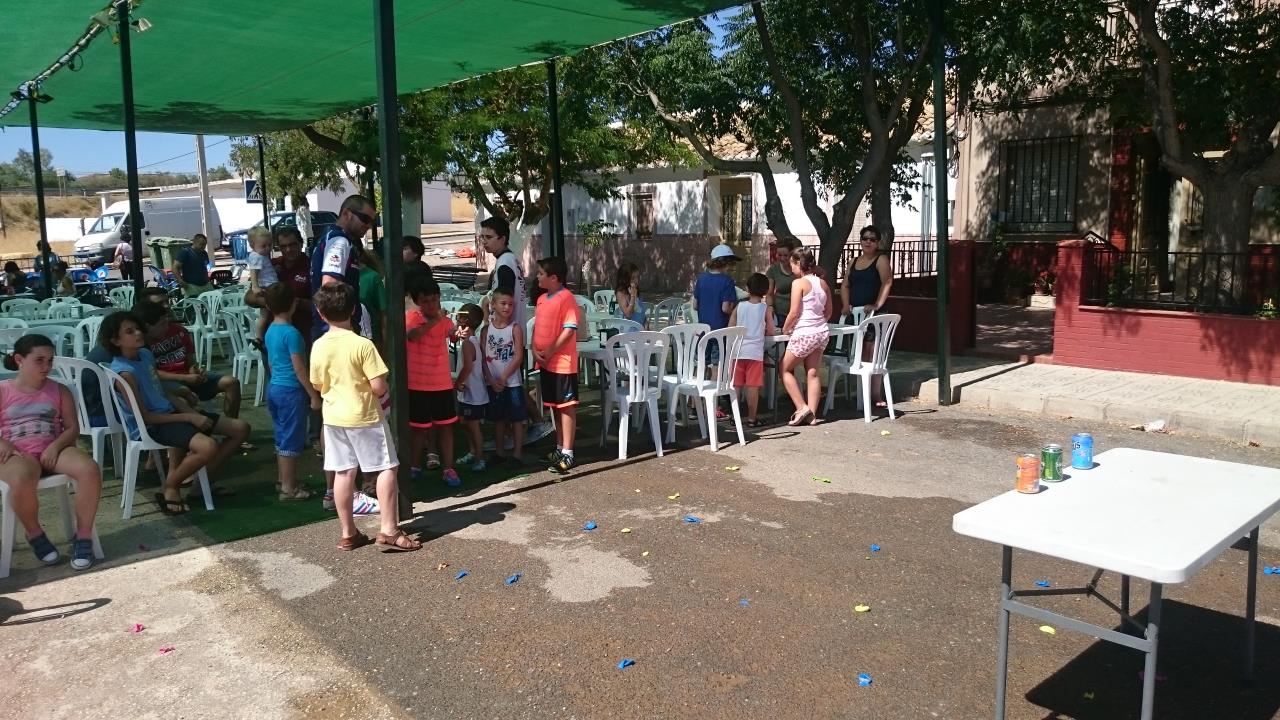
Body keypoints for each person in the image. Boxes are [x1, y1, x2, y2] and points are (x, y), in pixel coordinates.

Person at [102, 311, 250, 513]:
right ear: (115, 340)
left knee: (241, 429)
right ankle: (171, 486)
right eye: (129, 331)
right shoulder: (125, 373)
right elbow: (145, 417)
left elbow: (159, 391)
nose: (137, 333)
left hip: (170, 414)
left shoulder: (145, 355)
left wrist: (188, 407)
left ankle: (201, 486)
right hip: (152, 425)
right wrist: (189, 416)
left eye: (137, 328)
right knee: (208, 447)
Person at [309, 283, 420, 552]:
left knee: (343, 471)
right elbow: (379, 386)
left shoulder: (319, 345)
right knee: (386, 467)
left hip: (333, 416)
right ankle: (389, 529)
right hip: (364, 414)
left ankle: (348, 533)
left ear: (321, 313)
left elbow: (317, 384)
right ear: (354, 310)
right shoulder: (363, 345)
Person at [0, 334, 102, 570]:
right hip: (18, 453)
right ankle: (34, 532)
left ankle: (83, 536)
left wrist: (55, 446)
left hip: (53, 447)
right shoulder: (3, 391)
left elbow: (72, 428)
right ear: (19, 360)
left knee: (89, 469)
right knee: (21, 477)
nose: (46, 366)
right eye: (39, 360)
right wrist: (3, 444)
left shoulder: (59, 390)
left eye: (50, 360)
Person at [406, 275, 468, 487]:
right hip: (417, 384)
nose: (431, 305)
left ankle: (449, 468)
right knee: (418, 429)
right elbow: (413, 335)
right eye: (426, 301)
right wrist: (434, 321)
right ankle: (414, 466)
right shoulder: (412, 317)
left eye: (434, 299)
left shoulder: (444, 320)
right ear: (417, 301)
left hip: (441, 383)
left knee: (446, 427)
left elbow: (452, 333)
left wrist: (459, 332)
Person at [137, 301, 242, 423]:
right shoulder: (141, 346)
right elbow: (152, 374)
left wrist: (195, 370)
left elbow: (190, 361)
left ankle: (231, 424)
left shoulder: (179, 331)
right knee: (183, 401)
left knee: (231, 382)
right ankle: (200, 428)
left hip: (188, 377)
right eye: (162, 323)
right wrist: (185, 378)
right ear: (147, 326)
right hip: (167, 383)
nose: (166, 306)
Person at [263, 282, 319, 500]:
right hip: (290, 391)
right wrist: (313, 395)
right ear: (294, 304)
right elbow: (299, 367)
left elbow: (271, 363)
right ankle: (288, 487)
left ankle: (284, 480)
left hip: (275, 387)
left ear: (268, 306)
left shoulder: (270, 330)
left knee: (281, 436)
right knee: (291, 439)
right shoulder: (292, 333)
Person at [533, 257, 580, 474]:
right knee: (554, 406)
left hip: (562, 364)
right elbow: (537, 328)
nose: (537, 276)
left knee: (566, 407)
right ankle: (560, 447)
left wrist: (551, 351)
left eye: (541, 273)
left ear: (554, 278)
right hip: (546, 364)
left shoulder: (566, 297)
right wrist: (535, 350)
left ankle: (568, 452)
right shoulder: (542, 299)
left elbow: (569, 329)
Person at [840, 224, 894, 408]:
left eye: (872, 239)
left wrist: (877, 304)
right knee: (859, 352)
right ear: (860, 241)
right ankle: (861, 392)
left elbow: (887, 281)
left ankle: (875, 394)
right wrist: (845, 304)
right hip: (855, 315)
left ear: (877, 242)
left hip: (873, 315)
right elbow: (845, 285)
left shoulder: (881, 259)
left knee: (874, 353)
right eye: (865, 238)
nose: (868, 242)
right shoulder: (854, 261)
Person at [779, 249, 833, 427]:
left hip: (804, 333)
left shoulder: (798, 283)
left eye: (792, 264)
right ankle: (812, 415)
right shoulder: (823, 283)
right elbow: (829, 311)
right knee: (813, 372)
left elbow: (794, 312)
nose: (791, 268)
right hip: (821, 332)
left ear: (798, 264)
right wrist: (818, 322)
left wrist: (785, 329)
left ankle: (802, 407)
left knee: (784, 369)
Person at [311, 195, 375, 341]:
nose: (369, 226)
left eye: (372, 222)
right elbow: (330, 286)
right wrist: (345, 329)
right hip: (337, 332)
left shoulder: (330, 236)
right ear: (346, 214)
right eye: (365, 219)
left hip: (331, 329)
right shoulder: (339, 241)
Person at [481, 287, 527, 467]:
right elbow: (483, 358)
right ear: (493, 304)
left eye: (510, 304)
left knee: (517, 418)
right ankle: (499, 452)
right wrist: (491, 380)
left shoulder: (515, 328)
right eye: (503, 303)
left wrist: (503, 377)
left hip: (512, 382)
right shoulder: (486, 330)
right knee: (498, 418)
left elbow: (518, 356)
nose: (507, 307)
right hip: (493, 383)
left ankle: (517, 454)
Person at [693, 244, 740, 417]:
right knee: (716, 367)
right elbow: (726, 308)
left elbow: (695, 305)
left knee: (701, 366)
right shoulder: (727, 281)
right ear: (724, 263)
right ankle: (713, 406)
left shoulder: (701, 279)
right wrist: (737, 307)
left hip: (703, 330)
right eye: (730, 263)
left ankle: (695, 405)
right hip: (720, 330)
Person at [730, 273, 776, 428]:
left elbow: (730, 327)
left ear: (747, 289)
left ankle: (734, 416)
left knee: (736, 385)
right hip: (755, 353)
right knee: (752, 386)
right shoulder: (765, 309)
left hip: (737, 351)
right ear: (766, 290)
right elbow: (771, 330)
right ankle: (751, 419)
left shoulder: (740, 306)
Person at [454, 304, 487, 472]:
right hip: (469, 393)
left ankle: (480, 458)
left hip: (473, 394)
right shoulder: (471, 341)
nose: (456, 320)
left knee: (473, 427)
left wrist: (457, 382)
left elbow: (467, 367)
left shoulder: (468, 343)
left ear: (465, 320)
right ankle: (473, 452)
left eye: (459, 317)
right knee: (465, 422)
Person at [271, 227, 313, 342]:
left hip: (302, 334)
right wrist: (271, 301)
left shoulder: (312, 267)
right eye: (283, 246)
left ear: (301, 244)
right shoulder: (271, 265)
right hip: (273, 335)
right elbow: (249, 298)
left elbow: (322, 305)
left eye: (292, 244)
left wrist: (296, 302)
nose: (288, 249)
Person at [246, 227, 279, 339]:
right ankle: (260, 337)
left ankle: (259, 338)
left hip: (268, 285)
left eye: (270, 245)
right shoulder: (258, 257)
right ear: (252, 246)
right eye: (264, 246)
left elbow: (264, 271)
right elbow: (254, 272)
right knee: (271, 315)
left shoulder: (260, 255)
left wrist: (275, 269)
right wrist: (255, 286)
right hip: (267, 287)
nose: (268, 248)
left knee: (264, 316)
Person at [767, 237, 801, 328]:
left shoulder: (799, 268)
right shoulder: (773, 270)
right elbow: (769, 293)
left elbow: (820, 272)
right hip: (780, 313)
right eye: (779, 255)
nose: (782, 258)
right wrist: (770, 307)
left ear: (792, 254)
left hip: (799, 311)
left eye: (785, 255)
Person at [358, 246, 388, 347]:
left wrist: (385, 343)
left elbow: (383, 313)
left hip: (371, 338)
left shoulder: (372, 277)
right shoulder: (340, 275)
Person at [174, 233, 214, 298]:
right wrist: (180, 280)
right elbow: (175, 267)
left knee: (214, 299)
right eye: (201, 244)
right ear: (194, 242)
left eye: (205, 244)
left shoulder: (204, 253)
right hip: (192, 286)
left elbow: (206, 265)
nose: (203, 246)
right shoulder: (185, 252)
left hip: (205, 284)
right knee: (194, 303)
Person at [613, 262, 646, 326]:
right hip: (627, 329)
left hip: (639, 327)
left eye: (637, 277)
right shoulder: (621, 293)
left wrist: (646, 324)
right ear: (625, 279)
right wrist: (633, 296)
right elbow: (628, 315)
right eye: (633, 278)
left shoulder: (637, 291)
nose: (636, 280)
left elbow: (641, 313)